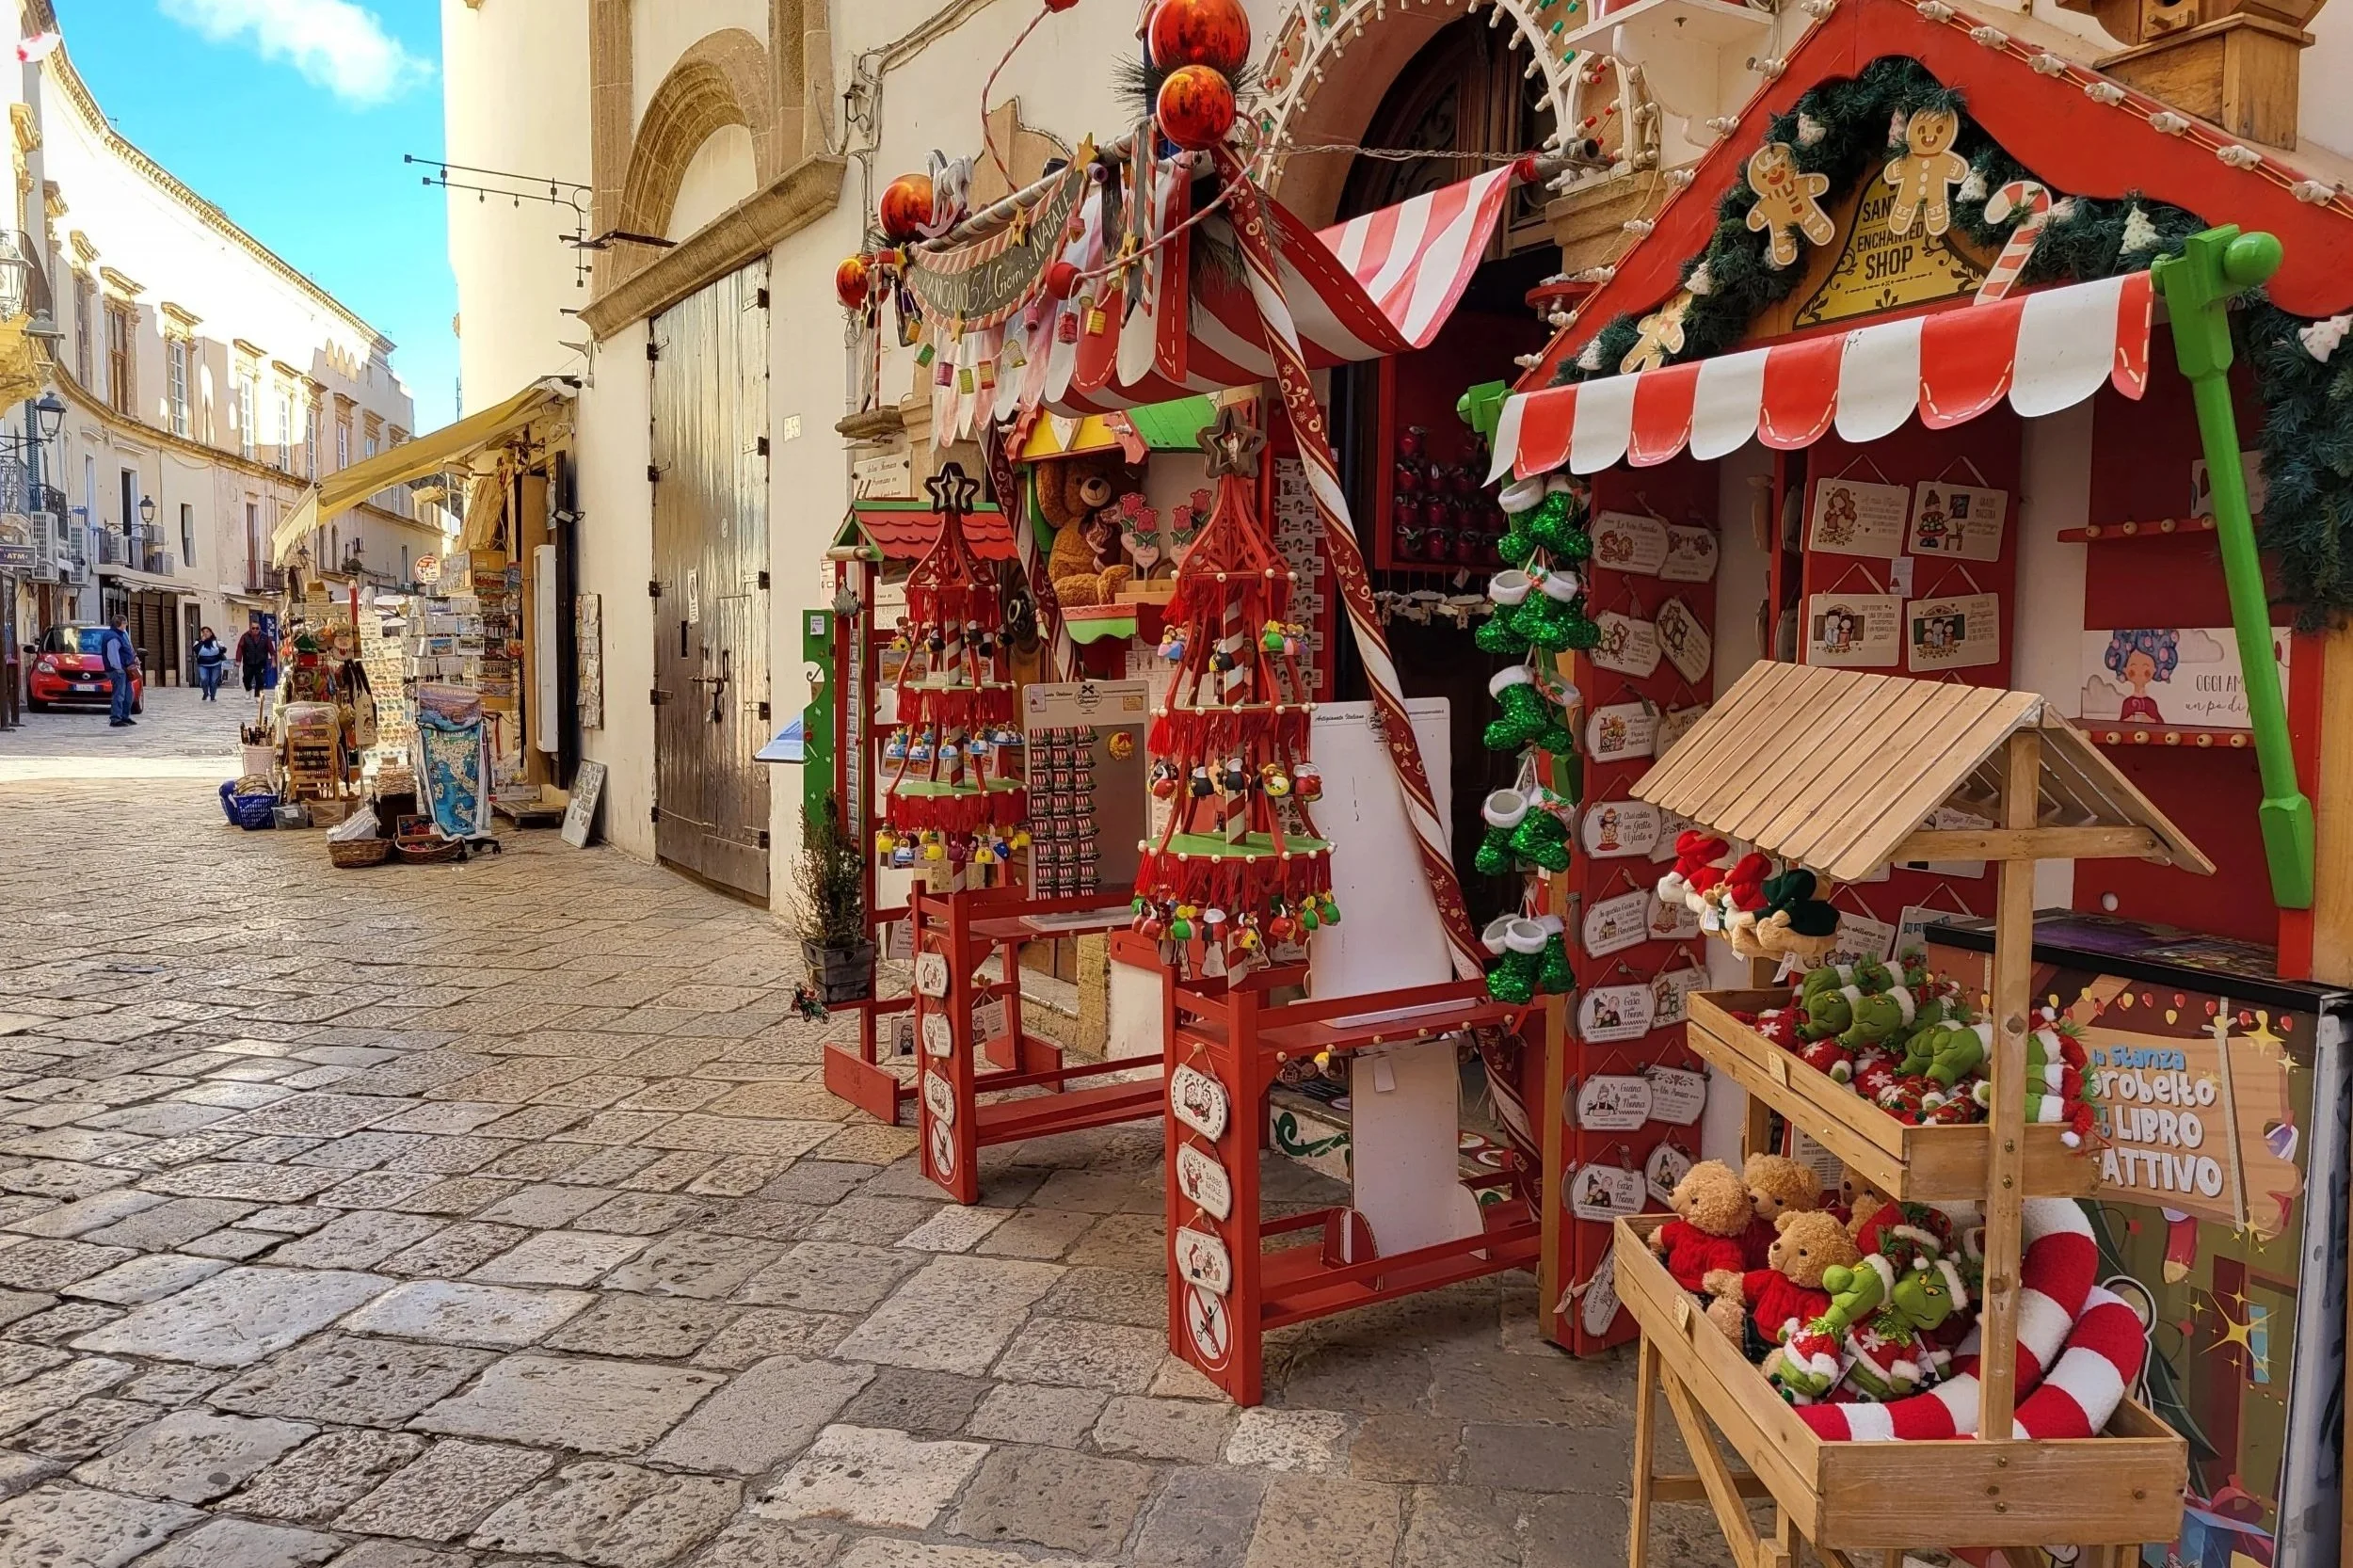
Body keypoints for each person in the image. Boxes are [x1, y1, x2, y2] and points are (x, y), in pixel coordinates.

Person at [103, 615, 139, 728]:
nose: (126, 625)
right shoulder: (113, 637)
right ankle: (115, 719)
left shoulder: (122, 634)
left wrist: (134, 658)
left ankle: (125, 716)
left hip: (126, 669)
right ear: (119, 624)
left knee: (129, 694)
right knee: (119, 694)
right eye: (124, 623)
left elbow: (128, 648)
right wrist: (119, 669)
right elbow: (113, 655)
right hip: (118, 671)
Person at [235, 620, 270, 699]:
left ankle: (257, 695)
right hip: (248, 662)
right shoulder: (245, 636)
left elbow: (270, 648)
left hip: (260, 662)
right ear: (251, 628)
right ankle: (248, 689)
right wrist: (238, 660)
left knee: (260, 680)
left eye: (257, 628)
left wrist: (273, 659)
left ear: (260, 628)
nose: (255, 630)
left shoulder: (265, 637)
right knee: (246, 678)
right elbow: (240, 648)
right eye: (253, 628)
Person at [192, 626, 227, 702]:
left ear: (211, 633)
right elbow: (195, 649)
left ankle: (212, 697)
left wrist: (221, 648)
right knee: (204, 679)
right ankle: (205, 693)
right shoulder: (198, 641)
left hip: (216, 664)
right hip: (203, 664)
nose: (205, 633)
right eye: (203, 632)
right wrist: (202, 642)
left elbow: (224, 649)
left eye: (207, 631)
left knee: (214, 681)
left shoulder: (216, 641)